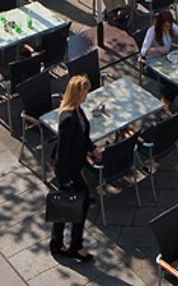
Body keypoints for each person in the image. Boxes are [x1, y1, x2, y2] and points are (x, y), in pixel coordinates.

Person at [50, 76, 99, 262]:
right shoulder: (68, 118)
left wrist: (92, 148)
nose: (87, 96)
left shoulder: (78, 111)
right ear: (77, 94)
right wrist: (66, 178)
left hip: (74, 167)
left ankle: (58, 243)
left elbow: (83, 136)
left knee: (66, 205)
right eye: (85, 92)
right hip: (68, 170)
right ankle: (74, 246)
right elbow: (62, 152)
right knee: (79, 202)